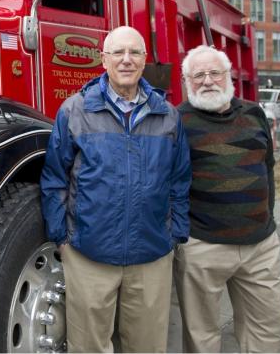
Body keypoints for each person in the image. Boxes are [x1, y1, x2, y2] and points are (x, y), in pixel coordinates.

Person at [41, 26, 191, 353]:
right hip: (88, 254)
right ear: (103, 60)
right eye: (118, 53)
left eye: (134, 52)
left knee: (148, 346)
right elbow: (55, 179)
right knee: (89, 346)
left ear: (144, 60)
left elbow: (180, 180)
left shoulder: (167, 116)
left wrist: (175, 235)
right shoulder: (75, 111)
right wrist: (62, 239)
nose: (127, 60)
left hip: (151, 254)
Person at [175, 45, 280, 353]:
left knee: (268, 332)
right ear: (187, 81)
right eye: (198, 75)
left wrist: (266, 219)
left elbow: (268, 167)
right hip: (202, 248)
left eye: (215, 73)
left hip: (260, 247)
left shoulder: (254, 113)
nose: (208, 80)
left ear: (229, 77)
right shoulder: (176, 122)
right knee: (202, 338)